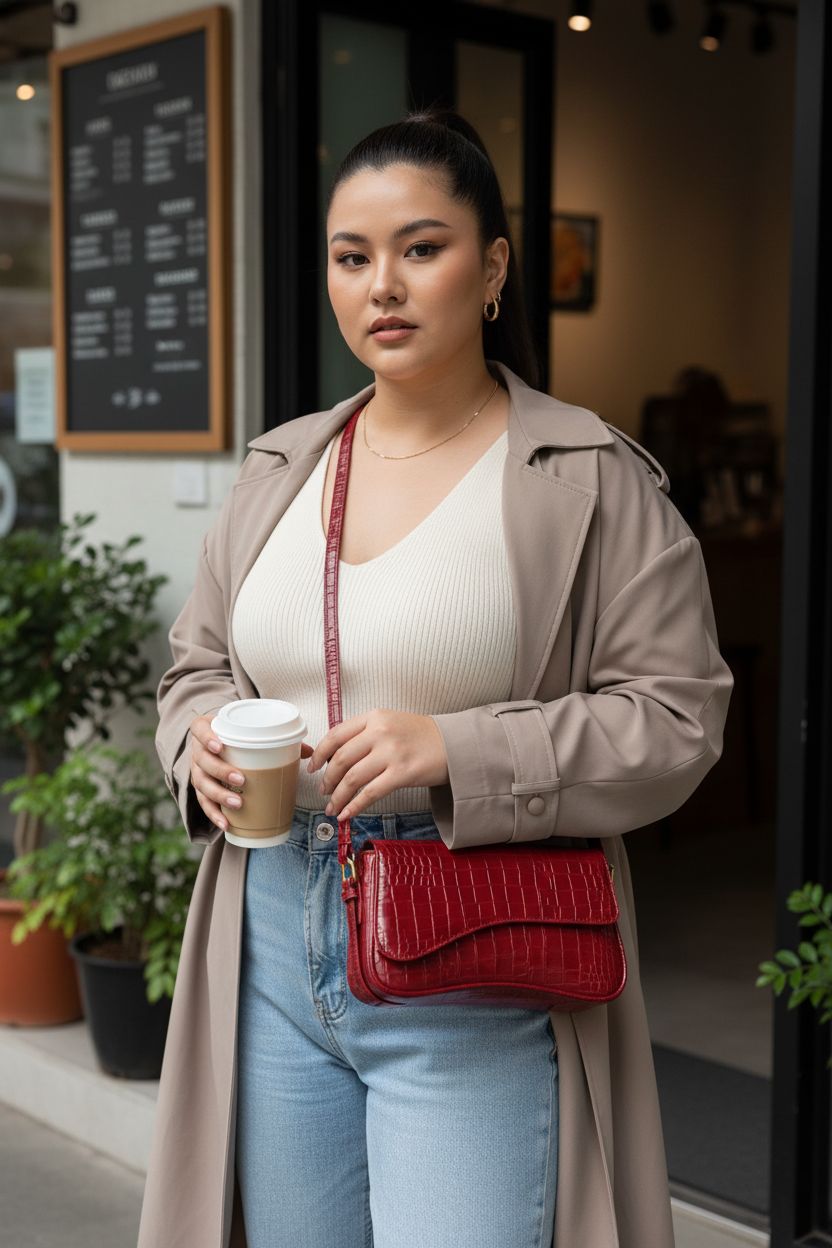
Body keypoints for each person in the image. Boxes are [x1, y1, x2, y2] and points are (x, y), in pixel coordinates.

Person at [138, 108, 733, 1248]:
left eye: (421, 248)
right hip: (266, 934)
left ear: (494, 264)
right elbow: (197, 662)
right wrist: (200, 743)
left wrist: (459, 752)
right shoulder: (281, 466)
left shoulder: (586, 477)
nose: (383, 287)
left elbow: (675, 718)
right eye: (352, 258)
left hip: (467, 946)